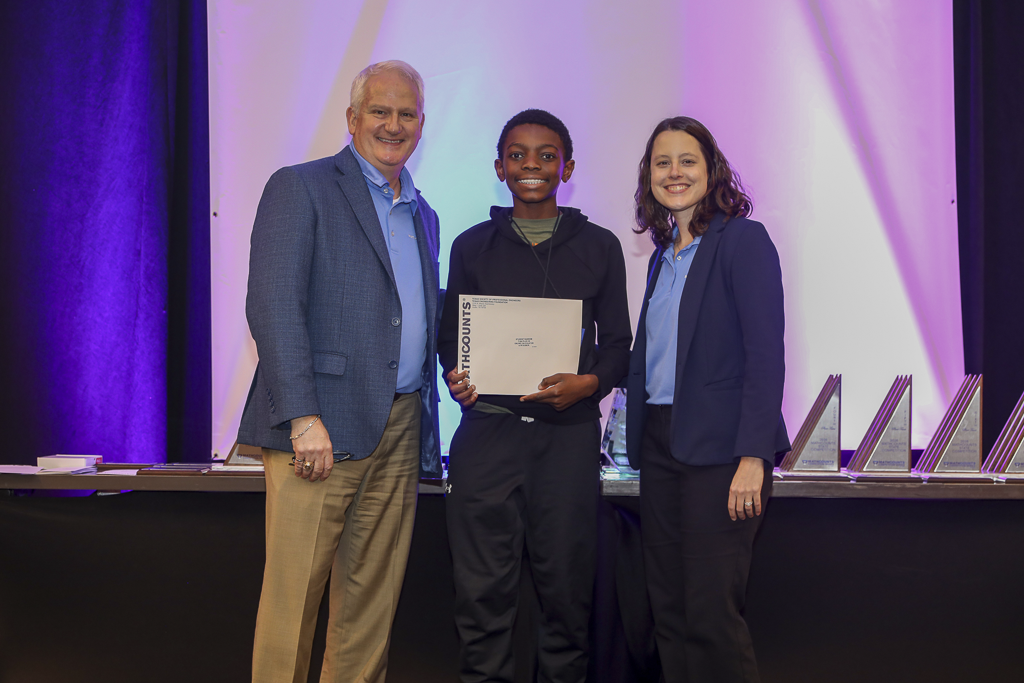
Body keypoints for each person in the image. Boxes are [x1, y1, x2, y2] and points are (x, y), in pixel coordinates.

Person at [237, 60, 441, 683]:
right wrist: (303, 417)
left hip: (399, 427)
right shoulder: (300, 187)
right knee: (293, 599)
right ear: (352, 119)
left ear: (421, 124)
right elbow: (271, 304)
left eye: (406, 114)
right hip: (317, 429)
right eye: (380, 111)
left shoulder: (424, 214)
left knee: (370, 605)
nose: (393, 125)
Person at [438, 109, 632, 683]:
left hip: (566, 443)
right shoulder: (471, 246)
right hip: (487, 437)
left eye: (547, 156)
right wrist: (456, 376)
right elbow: (451, 339)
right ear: (500, 168)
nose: (532, 165)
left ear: (566, 168)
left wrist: (590, 383)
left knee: (567, 600)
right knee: (481, 601)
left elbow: (618, 346)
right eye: (518, 155)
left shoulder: (600, 246)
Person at [625, 116, 790, 683]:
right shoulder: (662, 256)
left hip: (722, 454)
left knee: (711, 615)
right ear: (649, 176)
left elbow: (765, 355)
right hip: (660, 446)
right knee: (669, 610)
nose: (674, 172)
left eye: (687, 160)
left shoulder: (743, 241)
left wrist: (754, 456)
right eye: (662, 162)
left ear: (711, 170)